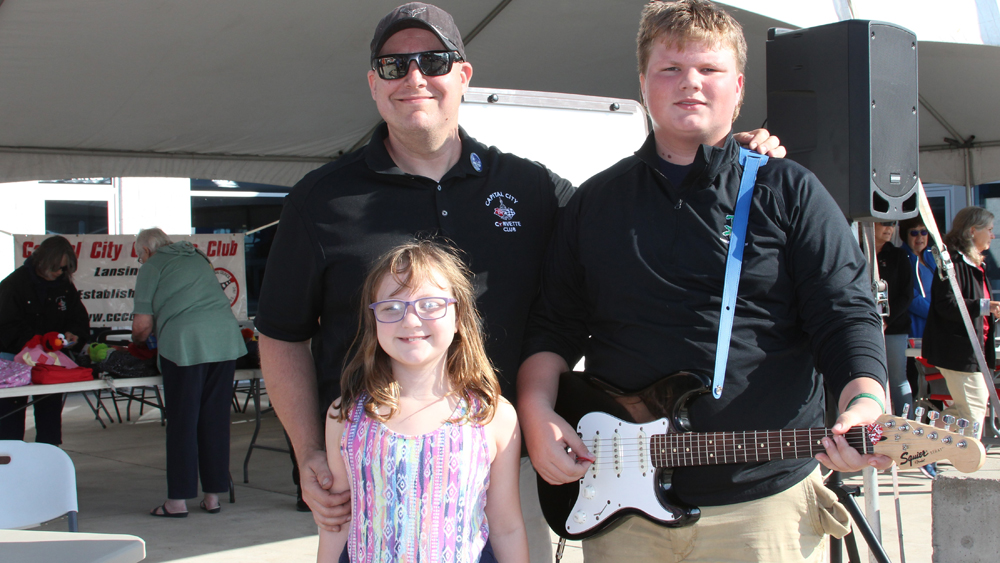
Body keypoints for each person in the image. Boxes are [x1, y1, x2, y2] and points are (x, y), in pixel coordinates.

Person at [253, 2, 784, 558]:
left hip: (510, 467)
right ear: (373, 84)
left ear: (463, 76)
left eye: (433, 62)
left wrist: (722, 156)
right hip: (374, 477)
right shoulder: (321, 199)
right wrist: (312, 450)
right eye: (393, 66)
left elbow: (635, 210)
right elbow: (282, 334)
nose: (414, 78)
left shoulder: (529, 187)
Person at [516, 1, 891, 561]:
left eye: (708, 70)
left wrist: (864, 401)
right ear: (643, 84)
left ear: (738, 89)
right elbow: (554, 327)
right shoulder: (595, 202)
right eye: (669, 69)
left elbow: (844, 314)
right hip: (622, 510)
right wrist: (537, 410)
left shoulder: (790, 191)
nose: (689, 82)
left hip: (764, 507)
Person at [317, 240, 526, 563]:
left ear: (459, 317)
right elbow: (336, 524)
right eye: (391, 307)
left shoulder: (493, 416)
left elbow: (506, 527)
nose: (411, 321)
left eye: (430, 304)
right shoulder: (344, 416)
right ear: (374, 322)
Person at [131, 228, 247, 518]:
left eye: (138, 256)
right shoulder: (196, 256)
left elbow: (142, 326)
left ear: (145, 251)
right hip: (223, 339)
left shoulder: (152, 266)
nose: (140, 261)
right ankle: (212, 496)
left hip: (184, 344)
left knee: (183, 421)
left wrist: (136, 343)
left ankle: (177, 501)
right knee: (214, 419)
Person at [0, 235, 89, 445]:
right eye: (56, 268)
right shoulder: (13, 285)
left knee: (49, 412)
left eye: (64, 269)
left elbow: (78, 317)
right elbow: (5, 324)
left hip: (50, 360)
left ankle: (49, 457)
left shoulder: (64, 286)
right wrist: (36, 341)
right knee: (11, 415)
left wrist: (74, 333)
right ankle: (10, 462)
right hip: (14, 358)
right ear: (42, 261)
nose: (59, 273)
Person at [921, 206, 998, 439]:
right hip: (958, 350)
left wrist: (988, 309)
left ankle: (922, 439)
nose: (993, 235)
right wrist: (984, 306)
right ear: (972, 231)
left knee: (970, 409)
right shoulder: (952, 262)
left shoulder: (976, 265)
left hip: (974, 349)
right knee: (974, 414)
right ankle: (966, 462)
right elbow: (946, 304)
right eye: (990, 230)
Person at [875, 221, 914, 416]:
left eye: (893, 224)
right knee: (871, 379)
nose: (889, 229)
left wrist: (886, 320)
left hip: (894, 327)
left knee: (897, 378)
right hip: (863, 326)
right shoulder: (856, 252)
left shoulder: (899, 256)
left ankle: (908, 424)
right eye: (884, 223)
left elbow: (907, 295)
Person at [900, 216, 937, 340]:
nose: (920, 237)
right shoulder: (901, 258)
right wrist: (936, 314)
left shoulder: (934, 256)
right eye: (914, 233)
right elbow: (910, 296)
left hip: (938, 325)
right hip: (917, 329)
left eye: (924, 232)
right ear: (905, 235)